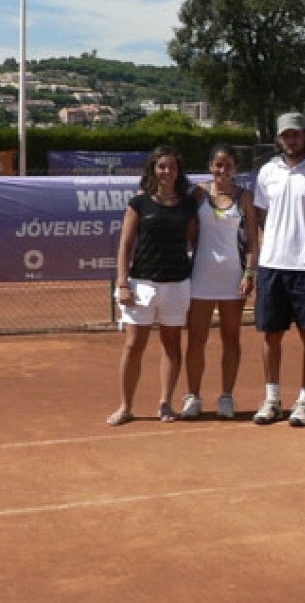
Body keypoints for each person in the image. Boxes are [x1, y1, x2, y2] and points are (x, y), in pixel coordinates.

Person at [250, 112, 305, 426]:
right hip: (272, 266)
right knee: (271, 336)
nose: (292, 140)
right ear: (279, 139)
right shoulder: (266, 173)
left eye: (296, 135)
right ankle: (272, 400)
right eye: (286, 135)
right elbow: (261, 216)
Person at [107, 146, 198, 426]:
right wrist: (123, 283)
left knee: (172, 346)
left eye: (171, 167)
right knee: (134, 345)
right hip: (142, 284)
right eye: (161, 167)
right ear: (153, 170)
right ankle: (126, 407)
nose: (167, 172)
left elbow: (194, 243)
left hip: (177, 284)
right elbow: (125, 244)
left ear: (178, 171)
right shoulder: (139, 203)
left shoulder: (187, 205)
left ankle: (166, 403)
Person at [180, 145, 259, 420]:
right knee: (196, 339)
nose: (223, 171)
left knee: (231, 338)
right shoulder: (199, 193)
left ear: (236, 168)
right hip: (201, 278)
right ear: (211, 167)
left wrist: (249, 274)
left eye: (228, 166)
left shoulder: (245, 197)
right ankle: (193, 396)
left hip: (233, 281)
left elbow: (252, 241)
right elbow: (190, 232)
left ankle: (226, 396)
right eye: (218, 165)